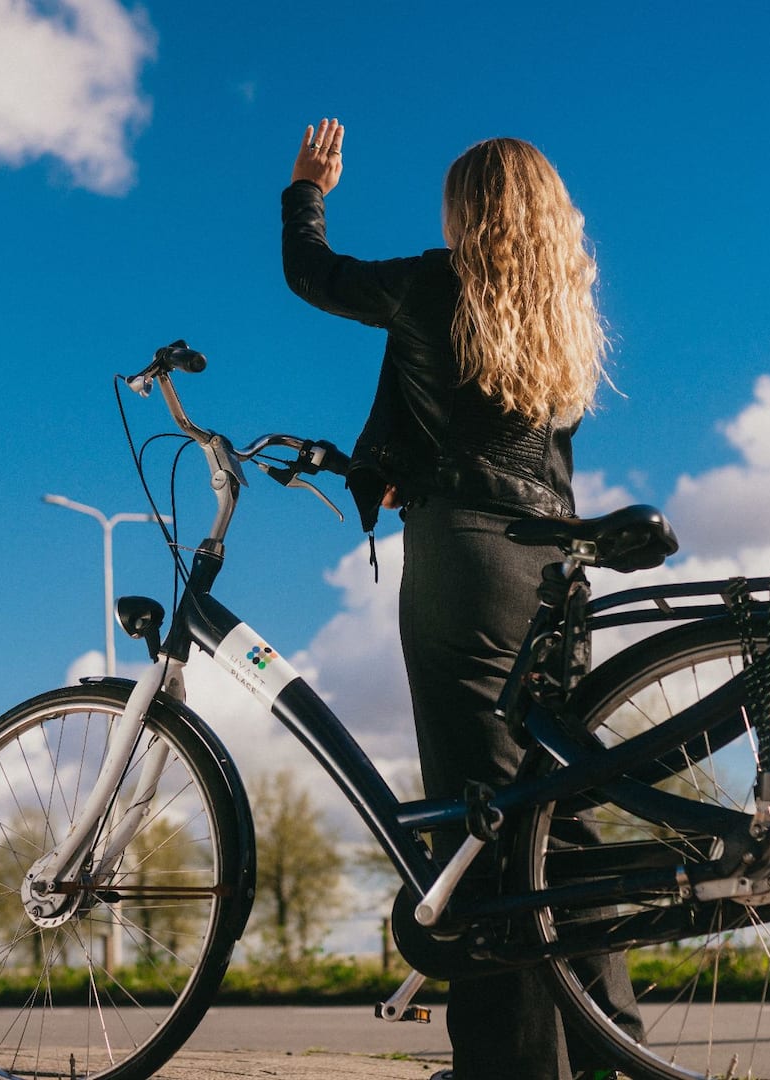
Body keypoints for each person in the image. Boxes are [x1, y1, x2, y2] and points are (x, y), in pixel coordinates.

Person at [282, 121, 641, 1079]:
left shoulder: (432, 283)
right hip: (557, 568)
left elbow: (313, 275)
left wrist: (307, 190)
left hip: (468, 562)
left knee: (478, 823)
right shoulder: (561, 310)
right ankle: (609, 1056)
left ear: (463, 212)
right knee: (563, 819)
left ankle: (507, 1069)